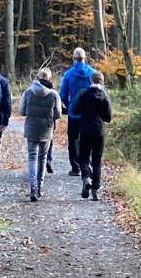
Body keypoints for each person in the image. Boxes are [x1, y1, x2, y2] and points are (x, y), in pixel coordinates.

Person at [19, 68, 62, 201]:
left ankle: (32, 188)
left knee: (32, 157)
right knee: (42, 158)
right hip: (46, 129)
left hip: (31, 128)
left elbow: (22, 111)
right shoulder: (54, 95)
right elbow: (58, 114)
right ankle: (39, 188)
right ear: (49, 79)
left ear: (38, 78)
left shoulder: (28, 92)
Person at [68, 71, 113, 200]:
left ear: (91, 81)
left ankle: (86, 178)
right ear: (102, 82)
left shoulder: (83, 94)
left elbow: (75, 109)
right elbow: (108, 117)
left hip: (85, 130)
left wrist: (84, 111)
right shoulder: (104, 97)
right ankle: (95, 189)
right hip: (99, 132)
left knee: (83, 158)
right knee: (97, 160)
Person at [58, 47, 96, 176]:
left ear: (74, 59)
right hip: (89, 113)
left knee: (73, 140)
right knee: (88, 139)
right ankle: (88, 164)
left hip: (74, 113)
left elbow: (63, 94)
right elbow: (100, 92)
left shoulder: (68, 74)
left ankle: (76, 168)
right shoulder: (93, 73)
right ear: (85, 58)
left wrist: (69, 106)